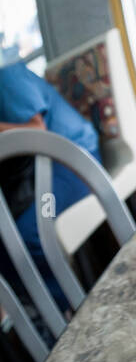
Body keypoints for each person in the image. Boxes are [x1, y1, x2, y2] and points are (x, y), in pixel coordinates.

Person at [0, 61, 102, 313]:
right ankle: (36, 308)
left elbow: (37, 131)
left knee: (29, 233)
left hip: (72, 158)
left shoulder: (7, 77)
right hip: (37, 168)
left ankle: (66, 311)